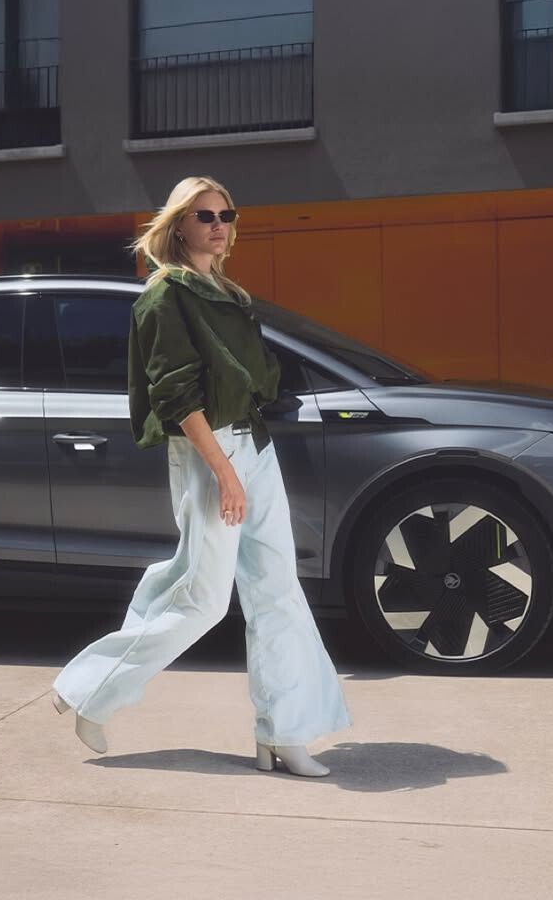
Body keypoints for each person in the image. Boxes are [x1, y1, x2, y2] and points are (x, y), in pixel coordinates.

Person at [51, 175, 350, 777]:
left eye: (226, 214)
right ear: (179, 225)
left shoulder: (225, 291)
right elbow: (175, 393)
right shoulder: (164, 297)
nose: (218, 224)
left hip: (253, 444)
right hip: (209, 451)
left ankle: (284, 734)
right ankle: (89, 689)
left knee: (278, 594)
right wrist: (224, 472)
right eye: (204, 214)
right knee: (205, 598)